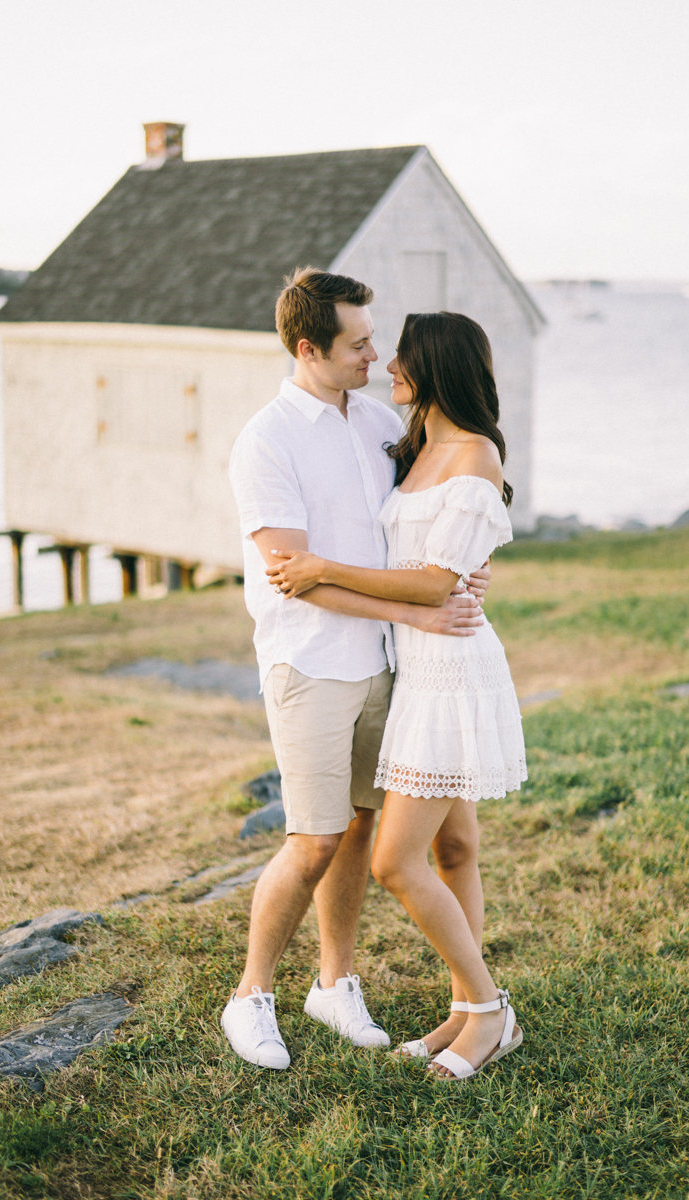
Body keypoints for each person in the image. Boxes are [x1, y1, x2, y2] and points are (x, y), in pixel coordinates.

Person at [223, 269, 491, 1071]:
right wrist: (414, 611)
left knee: (364, 828)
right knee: (312, 839)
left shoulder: (378, 421)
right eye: (359, 343)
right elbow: (293, 572)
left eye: (374, 339)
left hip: (387, 667)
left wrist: (470, 563)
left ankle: (334, 982)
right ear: (309, 349)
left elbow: (450, 503)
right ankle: (251, 997)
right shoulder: (265, 440)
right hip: (309, 664)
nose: (377, 354)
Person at [268, 311, 528, 1082]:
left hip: (450, 670)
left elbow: (434, 582)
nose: (387, 367)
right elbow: (429, 556)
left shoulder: (475, 454)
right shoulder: (411, 444)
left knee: (394, 859)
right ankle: (463, 1009)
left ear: (435, 365)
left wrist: (321, 570)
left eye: (401, 358)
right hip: (413, 666)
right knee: (454, 849)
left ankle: (489, 1012)